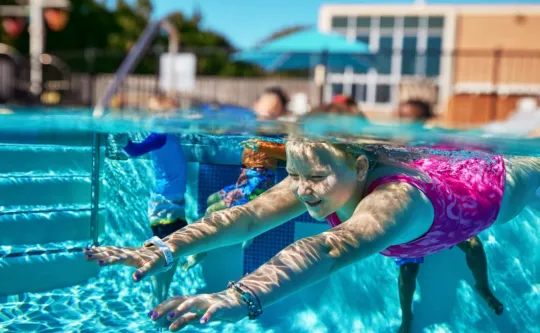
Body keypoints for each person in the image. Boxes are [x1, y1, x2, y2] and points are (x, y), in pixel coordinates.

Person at [84, 139, 540, 332]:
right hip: (434, 200)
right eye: (293, 172)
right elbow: (248, 216)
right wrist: (165, 246)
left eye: (313, 175)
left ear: (360, 166)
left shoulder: (394, 200)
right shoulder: (321, 176)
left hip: (488, 193)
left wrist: (239, 296)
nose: (301, 187)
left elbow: (329, 246)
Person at [394, 99, 503, 333]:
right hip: (411, 214)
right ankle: (406, 317)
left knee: (474, 245)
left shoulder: (438, 144)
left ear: (425, 123)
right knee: (408, 271)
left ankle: (483, 287)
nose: (406, 127)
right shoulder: (390, 146)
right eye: (402, 121)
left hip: (440, 212)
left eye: (413, 122)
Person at [182, 87, 289, 270]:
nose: (267, 114)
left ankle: (202, 250)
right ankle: (248, 226)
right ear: (255, 105)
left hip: (256, 185)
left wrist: (263, 145)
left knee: (214, 209)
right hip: (244, 181)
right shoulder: (246, 127)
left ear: (281, 114)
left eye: (273, 111)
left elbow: (288, 152)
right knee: (210, 200)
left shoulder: (277, 136)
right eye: (265, 108)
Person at [111, 132, 189, 307]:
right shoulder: (159, 135)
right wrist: (125, 143)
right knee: (165, 252)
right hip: (165, 205)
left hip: (172, 203)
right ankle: (157, 298)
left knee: (173, 252)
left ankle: (161, 296)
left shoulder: (167, 134)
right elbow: (136, 150)